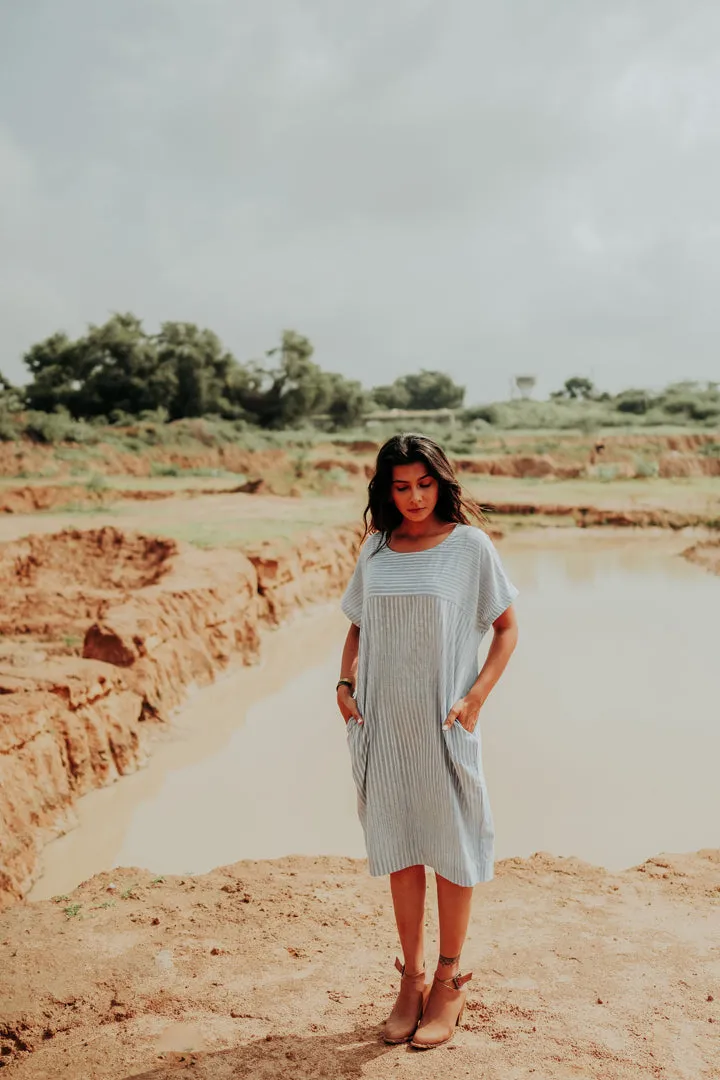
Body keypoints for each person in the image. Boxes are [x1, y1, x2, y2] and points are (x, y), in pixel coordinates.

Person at [337, 432, 519, 1050]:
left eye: (424, 484)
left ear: (441, 483)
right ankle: (409, 980)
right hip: (384, 725)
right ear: (386, 490)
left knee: (455, 846)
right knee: (402, 846)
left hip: (445, 723)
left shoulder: (470, 547)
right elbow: (358, 625)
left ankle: (449, 981)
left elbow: (506, 629)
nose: (414, 498)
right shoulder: (377, 549)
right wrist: (343, 680)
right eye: (401, 486)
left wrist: (475, 699)